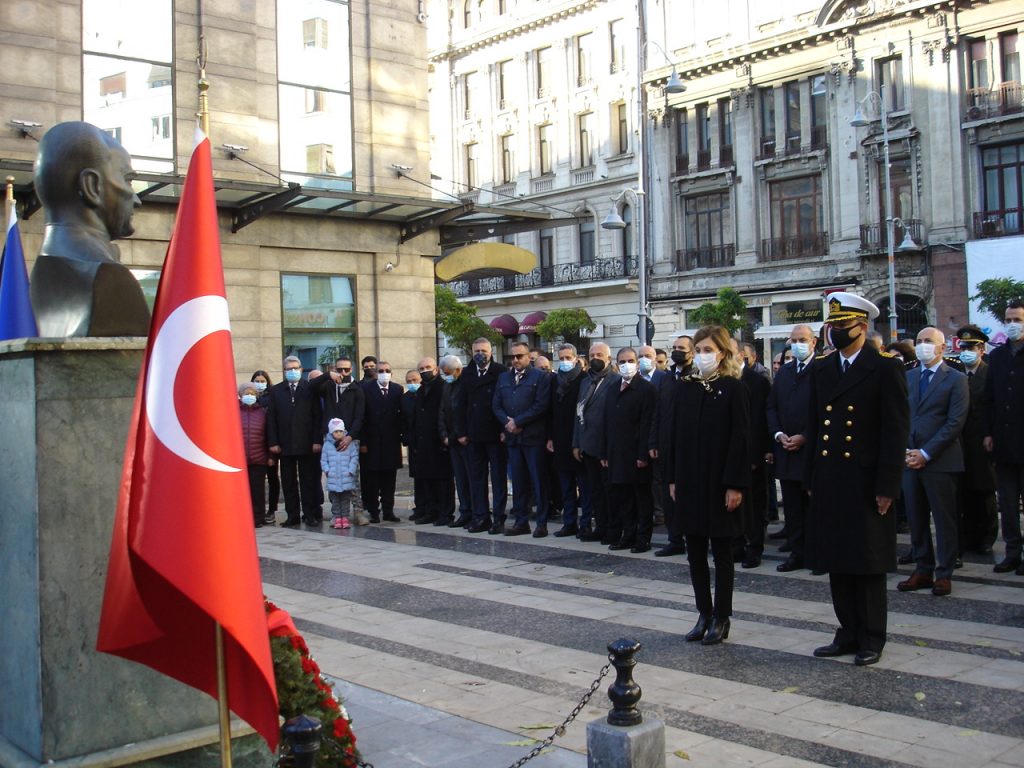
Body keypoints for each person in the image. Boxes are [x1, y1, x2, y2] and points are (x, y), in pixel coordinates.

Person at [806, 292, 909, 667]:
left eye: (843, 325)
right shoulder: (823, 368)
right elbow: (815, 426)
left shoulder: (883, 367)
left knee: (867, 561)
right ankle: (847, 630)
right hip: (831, 476)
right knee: (837, 558)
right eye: (832, 325)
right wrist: (812, 476)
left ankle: (871, 635)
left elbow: (894, 431)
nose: (835, 331)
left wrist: (887, 486)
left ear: (862, 327)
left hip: (866, 479)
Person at [668, 325, 750, 645]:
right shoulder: (685, 388)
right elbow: (674, 436)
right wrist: (673, 478)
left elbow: (740, 439)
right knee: (695, 551)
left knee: (722, 551)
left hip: (719, 481)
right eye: (698, 350)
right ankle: (703, 611)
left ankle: (721, 616)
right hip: (690, 480)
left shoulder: (733, 389)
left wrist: (735, 484)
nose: (702, 356)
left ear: (722, 353)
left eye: (708, 350)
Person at [30, 121, 150, 337]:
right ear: (92, 186)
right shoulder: (109, 278)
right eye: (128, 180)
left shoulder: (45, 272)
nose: (137, 200)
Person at [898, 327, 969, 597]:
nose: (922, 346)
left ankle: (944, 572)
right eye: (919, 341)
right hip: (910, 459)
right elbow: (901, 415)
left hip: (940, 460)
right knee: (916, 518)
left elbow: (955, 422)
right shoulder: (908, 376)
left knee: (944, 519)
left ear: (941, 347)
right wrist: (908, 450)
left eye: (928, 341)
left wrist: (926, 453)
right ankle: (922, 568)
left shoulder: (956, 379)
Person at [767, 324, 816, 572]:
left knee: (815, 507)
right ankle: (798, 552)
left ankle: (818, 553)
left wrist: (805, 436)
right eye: (794, 340)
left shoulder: (822, 369)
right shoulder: (785, 372)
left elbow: (825, 410)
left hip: (812, 451)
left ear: (813, 342)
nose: (798, 345)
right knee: (793, 508)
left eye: (802, 340)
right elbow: (772, 406)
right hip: (786, 449)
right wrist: (778, 434)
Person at [493, 342, 552, 536]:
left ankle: (541, 523)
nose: (516, 360)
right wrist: (508, 423)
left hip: (533, 437)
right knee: (518, 482)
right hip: (513, 439)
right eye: (513, 357)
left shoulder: (540, 377)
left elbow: (541, 405)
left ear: (528, 357)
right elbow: (497, 405)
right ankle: (521, 521)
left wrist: (519, 421)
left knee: (538, 481)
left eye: (519, 356)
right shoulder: (504, 378)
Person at [601, 347, 656, 552]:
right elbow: (606, 422)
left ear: (637, 363)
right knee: (624, 498)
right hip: (617, 453)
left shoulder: (647, 389)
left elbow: (648, 423)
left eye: (631, 361)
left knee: (642, 499)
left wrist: (643, 454)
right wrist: (605, 452)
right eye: (622, 361)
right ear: (616, 365)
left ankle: (643, 538)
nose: (627, 365)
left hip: (637, 454)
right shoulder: (612, 388)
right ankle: (628, 534)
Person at [984, 300, 1024, 574]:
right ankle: (1012, 552)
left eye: (1017, 320)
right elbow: (989, 398)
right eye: (1008, 320)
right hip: (1004, 442)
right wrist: (988, 432)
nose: (1012, 325)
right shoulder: (997, 356)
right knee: (1008, 505)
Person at [266, 356, 324, 527]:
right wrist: (273, 442)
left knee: (308, 481)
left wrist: (317, 440)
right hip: (285, 444)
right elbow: (271, 419)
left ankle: (309, 514)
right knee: (288, 482)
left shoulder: (309, 389)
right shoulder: (276, 391)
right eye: (289, 369)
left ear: (301, 369)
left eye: (295, 368)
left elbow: (317, 417)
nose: (292, 371)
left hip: (307, 444)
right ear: (284, 371)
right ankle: (292, 515)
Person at [956, 325, 998, 556]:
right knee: (964, 492)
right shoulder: (956, 373)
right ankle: (968, 536)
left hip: (982, 442)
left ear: (981, 350)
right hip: (960, 442)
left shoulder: (990, 373)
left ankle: (986, 537)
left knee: (984, 492)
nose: (966, 352)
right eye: (963, 347)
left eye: (971, 348)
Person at [573, 342, 621, 542]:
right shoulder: (586, 381)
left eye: (599, 355)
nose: (595, 358)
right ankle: (600, 526)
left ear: (609, 358)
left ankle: (613, 529)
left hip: (605, 447)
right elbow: (579, 412)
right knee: (595, 490)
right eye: (592, 355)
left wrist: (608, 449)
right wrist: (576, 442)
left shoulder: (616, 380)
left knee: (610, 491)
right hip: (588, 445)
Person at [651, 335, 693, 557]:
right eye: (674, 347)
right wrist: (654, 441)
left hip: (689, 446)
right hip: (666, 445)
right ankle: (674, 539)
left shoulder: (696, 376)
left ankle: (693, 538)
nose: (677, 351)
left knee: (688, 494)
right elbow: (658, 411)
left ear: (691, 352)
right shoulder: (667, 378)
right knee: (668, 495)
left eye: (682, 348)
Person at [461, 338, 509, 534]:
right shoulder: (467, 373)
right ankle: (480, 516)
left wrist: (504, 430)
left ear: (491, 352)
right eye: (477, 351)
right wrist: (462, 432)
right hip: (473, 434)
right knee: (477, 478)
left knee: (498, 478)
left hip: (495, 434)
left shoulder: (500, 372)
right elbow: (461, 404)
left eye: (484, 350)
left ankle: (498, 518)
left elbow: (505, 402)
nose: (480, 354)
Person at [734, 339, 772, 569]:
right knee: (734, 503)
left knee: (754, 504)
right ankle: (736, 545)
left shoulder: (757, 381)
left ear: (741, 355)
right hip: (729, 454)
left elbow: (759, 421)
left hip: (750, 454)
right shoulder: (722, 380)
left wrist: (756, 455)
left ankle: (754, 547)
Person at [548, 343, 589, 537]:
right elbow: (550, 410)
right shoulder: (555, 380)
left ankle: (586, 523)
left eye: (568, 358)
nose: (564, 361)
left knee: (585, 486)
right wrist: (550, 437)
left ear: (575, 358)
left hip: (578, 439)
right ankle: (569, 522)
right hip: (560, 439)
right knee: (566, 486)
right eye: (561, 358)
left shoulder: (584, 379)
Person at [359, 360, 404, 523]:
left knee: (389, 479)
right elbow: (362, 417)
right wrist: (363, 442)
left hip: (391, 442)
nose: (384, 373)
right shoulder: (365, 389)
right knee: (371, 480)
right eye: (380, 371)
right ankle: (373, 511)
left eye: (387, 370)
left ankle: (388, 510)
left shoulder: (397, 389)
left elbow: (401, 415)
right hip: (371, 443)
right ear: (375, 373)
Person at [410, 358, 450, 525]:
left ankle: (445, 513)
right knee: (427, 479)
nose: (425, 371)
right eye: (421, 368)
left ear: (436, 369)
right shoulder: (420, 390)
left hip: (439, 441)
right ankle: (431, 511)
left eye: (428, 367)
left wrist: (444, 436)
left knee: (443, 481)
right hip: (423, 442)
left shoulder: (444, 387)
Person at [439, 355, 472, 527]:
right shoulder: (447, 385)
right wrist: (444, 434)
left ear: (458, 370)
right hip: (452, 440)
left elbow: (466, 412)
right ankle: (465, 512)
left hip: (465, 439)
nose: (446, 376)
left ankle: (475, 512)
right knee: (460, 479)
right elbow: (442, 411)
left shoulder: (466, 383)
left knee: (471, 478)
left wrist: (459, 434)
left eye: (448, 373)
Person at [239, 383, 272, 528]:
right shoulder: (233, 412)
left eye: (252, 393)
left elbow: (269, 435)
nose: (249, 396)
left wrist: (271, 456)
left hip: (259, 458)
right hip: (239, 460)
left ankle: (258, 518)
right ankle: (241, 518)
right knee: (240, 492)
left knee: (257, 490)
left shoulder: (262, 413)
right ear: (240, 395)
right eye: (246, 393)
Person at [321, 418, 361, 529]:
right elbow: (324, 460)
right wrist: (327, 470)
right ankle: (337, 517)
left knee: (345, 500)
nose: (338, 433)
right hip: (333, 478)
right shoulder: (327, 445)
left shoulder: (350, 444)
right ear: (331, 432)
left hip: (346, 478)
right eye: (335, 431)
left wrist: (351, 470)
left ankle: (345, 517)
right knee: (335, 500)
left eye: (340, 431)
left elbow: (354, 457)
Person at [252, 369, 279, 525]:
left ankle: (272, 510)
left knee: (273, 477)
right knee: (256, 482)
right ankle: (256, 511)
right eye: (257, 381)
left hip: (270, 443)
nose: (260, 384)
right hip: (255, 445)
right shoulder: (250, 398)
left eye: (262, 381)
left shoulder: (272, 397)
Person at [401, 370, 422, 521]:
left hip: (428, 442)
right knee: (417, 477)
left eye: (415, 380)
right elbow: (403, 420)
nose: (412, 383)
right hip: (413, 443)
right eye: (409, 381)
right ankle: (419, 507)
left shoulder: (426, 394)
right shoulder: (405, 398)